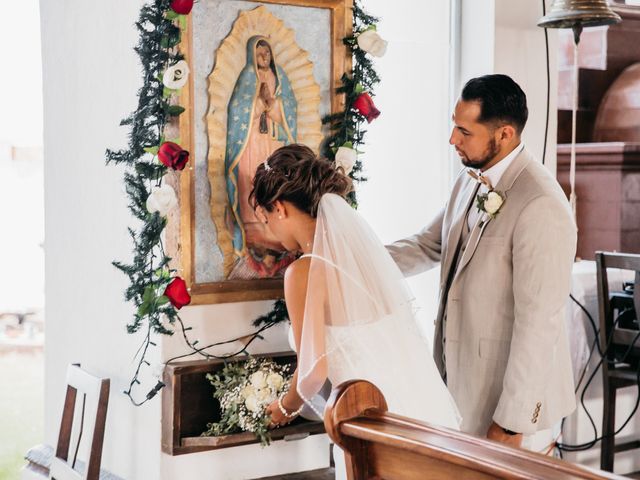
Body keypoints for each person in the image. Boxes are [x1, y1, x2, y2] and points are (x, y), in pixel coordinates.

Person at [387, 74, 577, 449]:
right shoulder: (469, 180)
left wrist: (510, 424)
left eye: (464, 131)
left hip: (508, 409)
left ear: (504, 134)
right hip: (461, 391)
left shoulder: (541, 204)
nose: (452, 140)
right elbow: (427, 245)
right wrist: (348, 261)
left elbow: (539, 324)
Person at [251, 144, 460, 474]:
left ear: (279, 208)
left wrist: (283, 407)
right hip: (416, 415)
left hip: (368, 423)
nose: (268, 232)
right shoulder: (362, 263)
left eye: (264, 218)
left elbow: (312, 374)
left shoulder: (304, 272)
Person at [224, 36, 298, 278]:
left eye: (267, 53)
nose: (264, 57)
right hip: (251, 141)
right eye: (260, 54)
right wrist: (258, 103)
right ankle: (254, 228)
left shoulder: (280, 80)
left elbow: (290, 112)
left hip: (273, 142)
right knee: (250, 182)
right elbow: (238, 109)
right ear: (252, 57)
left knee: (275, 185)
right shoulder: (247, 79)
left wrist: (274, 105)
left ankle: (276, 230)